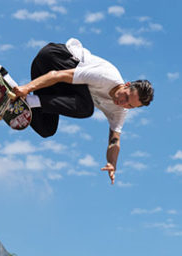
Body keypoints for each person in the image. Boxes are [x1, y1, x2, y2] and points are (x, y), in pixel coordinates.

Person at [11, 38, 154, 185]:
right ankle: (28, 99)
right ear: (126, 85)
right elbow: (57, 75)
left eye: (129, 105)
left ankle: (12, 91)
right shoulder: (106, 76)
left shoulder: (120, 111)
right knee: (85, 108)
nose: (122, 103)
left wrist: (112, 163)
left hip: (55, 81)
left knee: (47, 129)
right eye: (126, 96)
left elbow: (114, 140)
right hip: (53, 57)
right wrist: (27, 88)